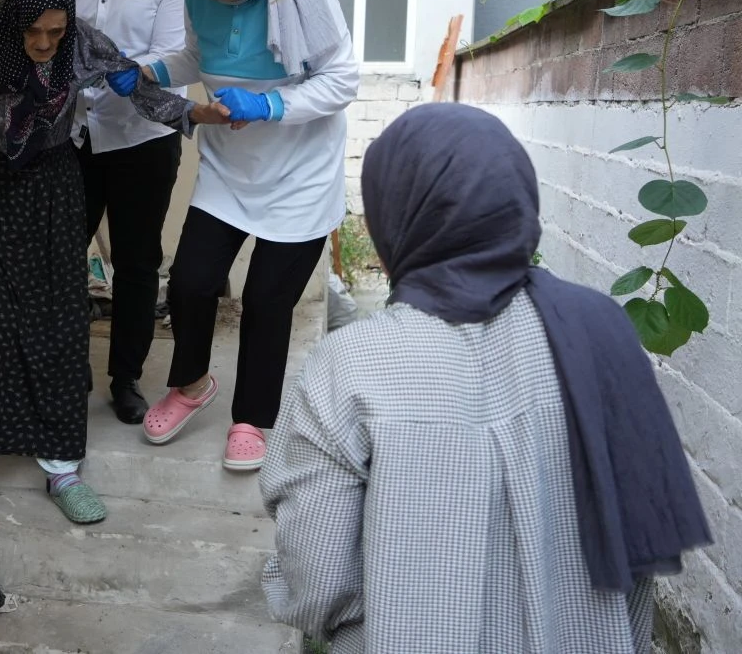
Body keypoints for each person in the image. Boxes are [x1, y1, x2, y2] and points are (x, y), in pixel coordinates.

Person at [259, 103, 712, 653]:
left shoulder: (349, 365)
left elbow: (318, 581)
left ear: (394, 216)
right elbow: (639, 550)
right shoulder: (602, 331)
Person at [0, 0, 225, 525]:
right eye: (33, 32)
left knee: (59, 318)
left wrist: (193, 113)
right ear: (15, 21)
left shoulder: (84, 44)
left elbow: (139, 89)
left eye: (55, 32)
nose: (44, 43)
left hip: (54, 185)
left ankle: (62, 466)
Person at [137, 0, 359, 471]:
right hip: (229, 168)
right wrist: (151, 71)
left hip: (301, 173)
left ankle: (251, 418)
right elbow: (198, 56)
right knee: (190, 282)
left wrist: (270, 104)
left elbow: (343, 79)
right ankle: (191, 385)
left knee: (266, 301)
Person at [27, 0, 187, 425]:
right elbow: (22, 17)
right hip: (69, 134)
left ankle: (126, 379)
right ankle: (68, 370)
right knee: (58, 259)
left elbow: (174, 53)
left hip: (142, 137)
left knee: (137, 262)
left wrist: (137, 72)